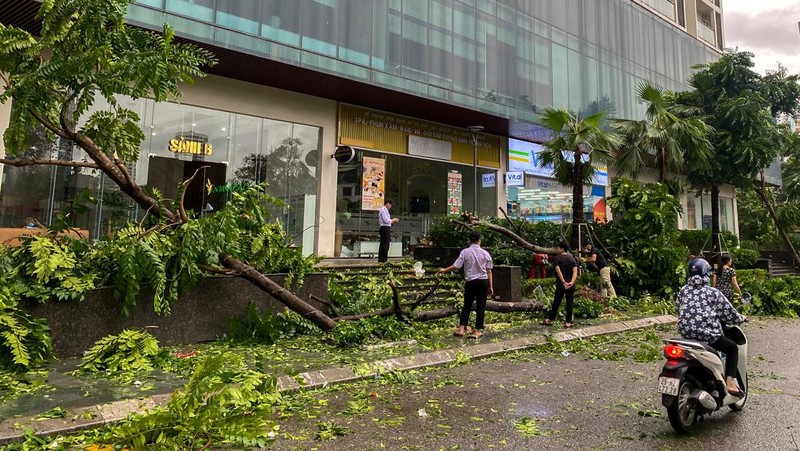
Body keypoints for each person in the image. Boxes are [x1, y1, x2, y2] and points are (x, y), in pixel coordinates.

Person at [677, 258, 746, 396]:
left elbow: (678, 308)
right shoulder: (713, 293)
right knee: (732, 348)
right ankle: (730, 383)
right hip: (707, 336)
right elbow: (729, 313)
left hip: (687, 337)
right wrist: (741, 318)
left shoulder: (683, 291)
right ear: (706, 273)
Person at [439, 231, 493, 339]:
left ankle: (461, 329)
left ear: (470, 240)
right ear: (479, 240)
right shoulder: (485, 253)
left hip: (470, 282)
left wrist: (444, 270)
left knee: (466, 305)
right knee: (480, 306)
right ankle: (477, 331)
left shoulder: (465, 252)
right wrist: (490, 286)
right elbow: (489, 271)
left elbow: (456, 266)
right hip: (482, 282)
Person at [541, 241, 578, 328]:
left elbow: (558, 271)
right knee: (570, 302)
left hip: (561, 285)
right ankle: (568, 322)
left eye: (557, 248)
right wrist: (571, 282)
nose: (556, 250)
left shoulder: (557, 259)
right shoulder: (572, 258)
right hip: (571, 284)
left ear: (562, 248)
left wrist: (563, 282)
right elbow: (575, 271)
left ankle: (551, 319)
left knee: (557, 302)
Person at [377, 199, 399, 263]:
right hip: (384, 228)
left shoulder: (386, 210)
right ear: (388, 204)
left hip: (386, 227)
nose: (390, 206)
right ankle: (383, 259)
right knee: (385, 244)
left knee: (385, 244)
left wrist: (392, 222)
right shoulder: (383, 210)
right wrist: (393, 220)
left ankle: (383, 259)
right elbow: (385, 220)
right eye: (390, 205)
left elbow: (387, 221)